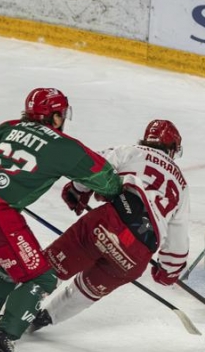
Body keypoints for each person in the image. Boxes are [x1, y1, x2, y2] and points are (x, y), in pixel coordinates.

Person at [0, 88, 122, 352]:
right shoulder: (64, 146)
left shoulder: (11, 126)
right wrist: (115, 194)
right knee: (42, 277)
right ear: (56, 116)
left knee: (9, 267)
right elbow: (106, 179)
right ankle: (1, 344)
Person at [28, 119, 190, 333]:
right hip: (137, 254)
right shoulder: (182, 186)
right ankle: (45, 318)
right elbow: (178, 238)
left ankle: (14, 314)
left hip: (107, 224)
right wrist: (168, 270)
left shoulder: (130, 151)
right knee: (87, 290)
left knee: (51, 269)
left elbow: (91, 166)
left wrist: (77, 189)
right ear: (172, 148)